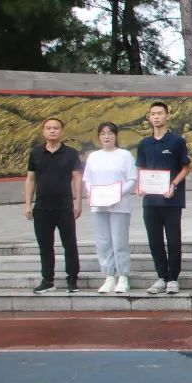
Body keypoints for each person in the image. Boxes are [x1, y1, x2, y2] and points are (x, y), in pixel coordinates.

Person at [136, 101, 191, 294]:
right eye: (153, 114)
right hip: (150, 201)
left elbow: (186, 167)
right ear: (149, 117)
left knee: (173, 240)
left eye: (160, 113)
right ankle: (162, 276)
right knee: (155, 241)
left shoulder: (176, 141)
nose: (156, 116)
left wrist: (173, 184)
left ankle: (173, 278)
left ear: (167, 116)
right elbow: (142, 168)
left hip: (171, 200)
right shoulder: (144, 143)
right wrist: (140, 185)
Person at [26, 118, 82, 294]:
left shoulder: (71, 153)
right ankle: (48, 280)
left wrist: (78, 202)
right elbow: (30, 179)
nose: (52, 131)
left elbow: (77, 178)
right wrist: (27, 204)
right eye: (48, 128)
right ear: (43, 131)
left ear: (62, 131)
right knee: (45, 246)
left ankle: (72, 279)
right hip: (42, 207)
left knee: (70, 244)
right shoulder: (35, 152)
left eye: (56, 128)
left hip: (64, 207)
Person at [83, 122, 137, 294]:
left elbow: (132, 179)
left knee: (119, 241)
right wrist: (93, 192)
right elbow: (87, 179)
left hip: (119, 205)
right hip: (99, 205)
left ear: (116, 135)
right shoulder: (94, 156)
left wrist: (117, 194)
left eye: (110, 133)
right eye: (103, 133)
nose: (106, 136)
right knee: (103, 241)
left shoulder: (125, 155)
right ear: (98, 137)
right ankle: (109, 276)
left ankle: (123, 276)